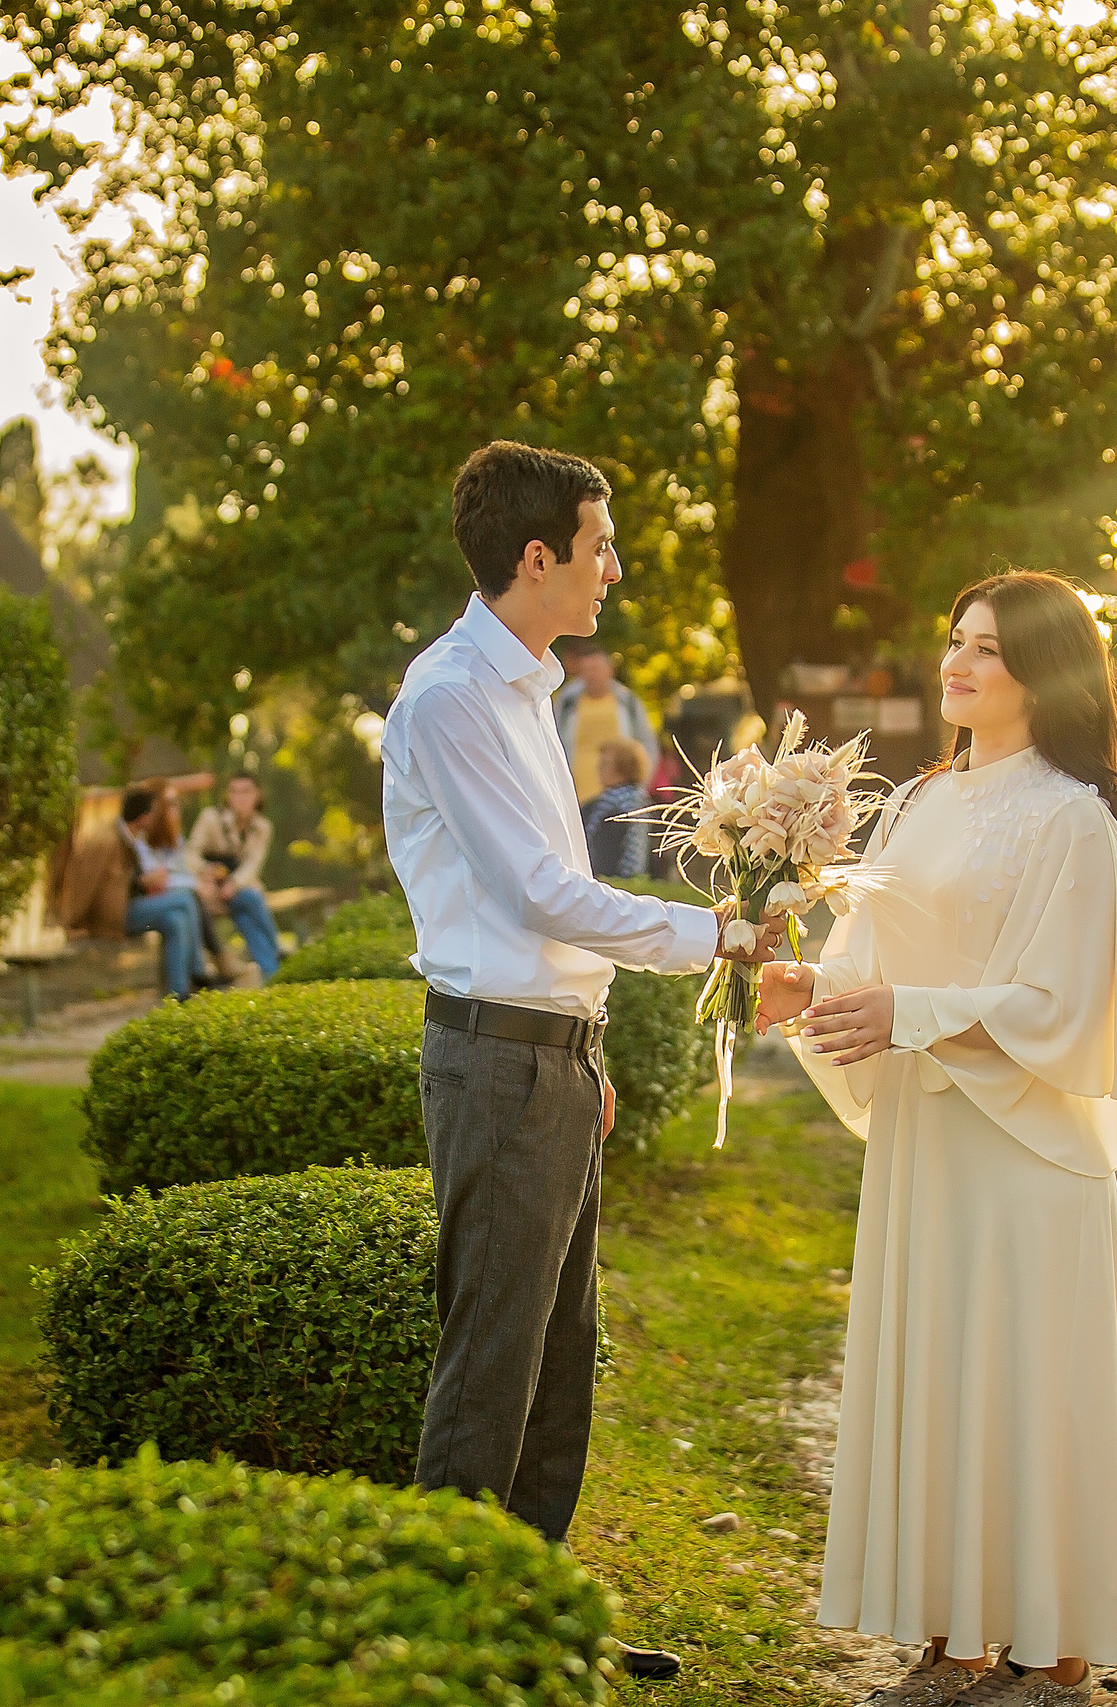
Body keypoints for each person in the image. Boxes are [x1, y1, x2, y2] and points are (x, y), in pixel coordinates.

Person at [381, 440, 780, 1684]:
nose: (617, 567)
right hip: (493, 1067)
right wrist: (713, 933)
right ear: (536, 555)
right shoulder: (450, 696)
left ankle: (542, 1619)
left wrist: (585, 1042)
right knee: (490, 1363)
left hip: (549, 1061)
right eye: (600, 545)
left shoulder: (526, 688)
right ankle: (451, 1645)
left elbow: (543, 918)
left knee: (559, 1357)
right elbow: (544, 894)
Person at [755, 570, 1117, 1706]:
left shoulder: (1071, 815)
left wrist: (912, 1016)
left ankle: (1051, 1630)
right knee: (938, 1369)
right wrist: (806, 985)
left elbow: (1062, 1002)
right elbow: (870, 954)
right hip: (927, 1143)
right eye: (956, 640)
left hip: (1025, 1147)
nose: (959, 663)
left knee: (1026, 1377)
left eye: (987, 648)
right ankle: (953, 1623)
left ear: (1044, 672)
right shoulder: (919, 802)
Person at [188, 773, 283, 981]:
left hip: (239, 891)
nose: (240, 797)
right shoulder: (211, 818)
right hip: (210, 892)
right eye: (234, 791)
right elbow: (190, 854)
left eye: (246, 791)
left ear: (258, 795)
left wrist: (234, 883)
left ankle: (272, 973)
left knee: (247, 912)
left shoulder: (262, 827)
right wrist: (207, 871)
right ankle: (276, 955)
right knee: (252, 901)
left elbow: (253, 864)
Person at [120, 782, 205, 997]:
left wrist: (142, 880)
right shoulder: (115, 839)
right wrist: (141, 881)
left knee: (175, 921)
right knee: (186, 900)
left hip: (132, 905)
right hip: (118, 914)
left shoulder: (131, 837)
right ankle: (198, 970)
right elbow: (107, 884)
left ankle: (178, 995)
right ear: (143, 816)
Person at [553, 639, 655, 800]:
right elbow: (552, 742)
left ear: (609, 670)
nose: (591, 675)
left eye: (595, 669)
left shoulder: (627, 702)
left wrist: (640, 786)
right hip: (575, 795)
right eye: (586, 670)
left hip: (620, 796)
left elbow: (646, 743)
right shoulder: (567, 702)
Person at [580, 738, 652, 879]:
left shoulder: (629, 808)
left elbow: (633, 860)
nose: (598, 769)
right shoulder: (595, 805)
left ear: (623, 767)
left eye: (605, 763)